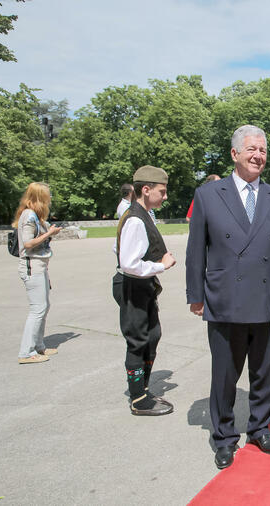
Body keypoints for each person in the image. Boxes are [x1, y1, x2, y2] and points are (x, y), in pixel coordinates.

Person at [185, 125, 270, 469]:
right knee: (225, 376)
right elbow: (196, 248)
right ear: (234, 154)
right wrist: (195, 293)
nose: (258, 155)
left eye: (262, 150)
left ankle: (260, 428)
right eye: (251, 150)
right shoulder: (208, 194)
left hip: (264, 300)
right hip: (224, 299)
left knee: (264, 373)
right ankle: (224, 437)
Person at [115, 165, 177, 415]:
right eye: (162, 192)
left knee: (152, 335)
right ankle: (138, 398)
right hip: (133, 285)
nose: (165, 196)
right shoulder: (135, 218)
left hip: (142, 286)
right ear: (146, 189)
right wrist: (160, 265)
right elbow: (129, 263)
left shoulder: (141, 214)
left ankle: (142, 387)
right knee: (139, 340)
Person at [14, 182, 63, 364]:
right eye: (48, 195)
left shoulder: (35, 216)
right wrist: (49, 233)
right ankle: (26, 352)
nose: (50, 198)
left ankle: (39, 345)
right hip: (31, 266)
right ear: (40, 196)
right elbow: (27, 244)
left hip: (39, 266)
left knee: (44, 306)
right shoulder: (29, 215)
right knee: (37, 309)